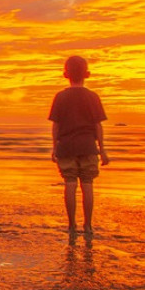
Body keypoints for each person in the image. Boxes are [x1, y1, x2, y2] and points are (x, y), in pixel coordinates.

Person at [49, 55, 109, 235]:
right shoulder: (92, 97)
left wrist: (54, 147)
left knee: (70, 183)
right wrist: (102, 149)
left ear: (65, 74)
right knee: (87, 183)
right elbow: (98, 125)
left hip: (66, 146)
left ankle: (71, 225)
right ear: (87, 74)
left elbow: (56, 125)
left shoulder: (60, 97)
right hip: (87, 146)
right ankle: (88, 225)